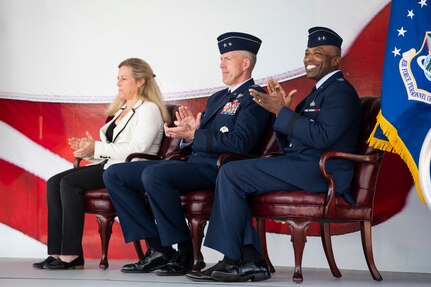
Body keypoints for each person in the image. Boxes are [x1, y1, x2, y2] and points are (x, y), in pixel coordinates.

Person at [186, 26, 362, 282]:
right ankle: (245, 259)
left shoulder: (341, 92)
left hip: (323, 171)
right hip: (302, 164)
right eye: (308, 52)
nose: (310, 58)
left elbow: (323, 138)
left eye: (319, 53)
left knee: (233, 172)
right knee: (234, 174)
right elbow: (293, 141)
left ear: (336, 60)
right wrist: (282, 112)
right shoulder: (319, 92)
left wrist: (283, 113)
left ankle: (240, 260)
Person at [103, 32, 271, 276]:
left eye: (228, 58)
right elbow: (198, 138)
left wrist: (196, 135)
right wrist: (187, 134)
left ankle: (184, 251)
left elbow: (241, 143)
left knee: (155, 174)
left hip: (220, 168)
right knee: (116, 174)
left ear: (245, 63)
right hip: (194, 162)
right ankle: (159, 249)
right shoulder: (217, 98)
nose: (221, 64)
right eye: (221, 58)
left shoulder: (255, 97)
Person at [32, 58, 170, 270]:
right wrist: (88, 150)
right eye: (118, 78)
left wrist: (95, 147)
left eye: (124, 79)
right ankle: (57, 252)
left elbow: (136, 149)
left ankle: (72, 255)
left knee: (69, 183)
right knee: (53, 182)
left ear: (141, 81)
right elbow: (109, 148)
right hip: (109, 165)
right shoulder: (121, 109)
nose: (118, 83)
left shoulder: (149, 109)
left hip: (128, 169)